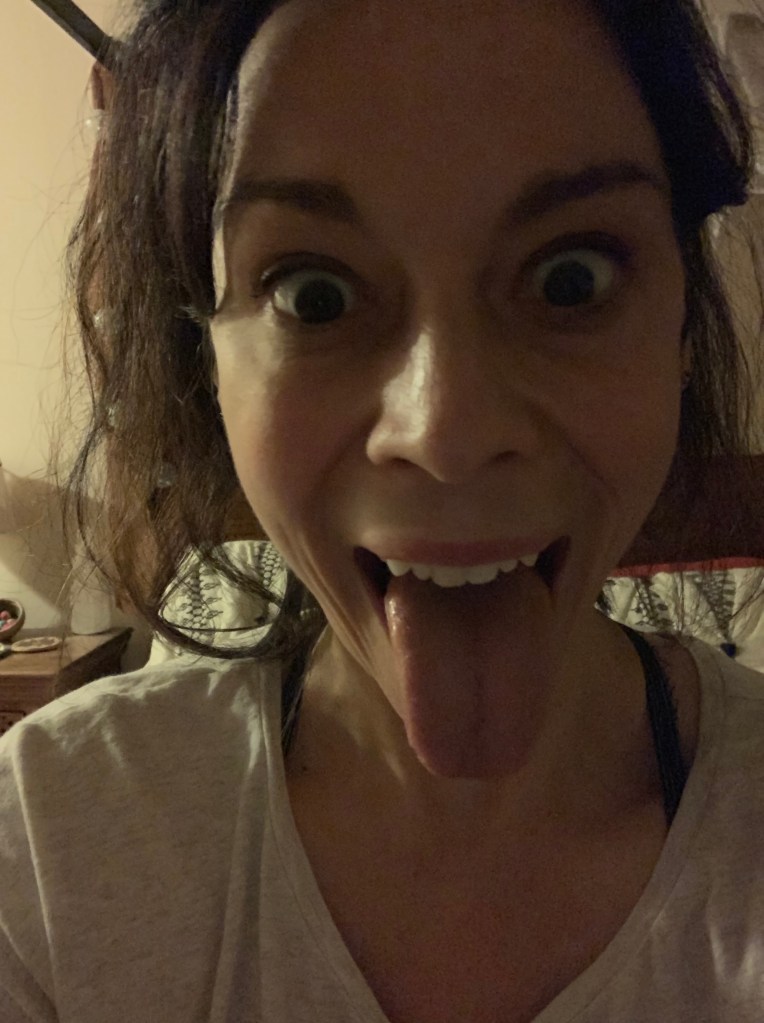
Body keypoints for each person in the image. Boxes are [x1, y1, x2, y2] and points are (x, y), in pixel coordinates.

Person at [2, 0, 764, 1019]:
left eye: (570, 280)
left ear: (681, 324)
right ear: (209, 363)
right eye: (312, 294)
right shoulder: (49, 847)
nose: (444, 434)